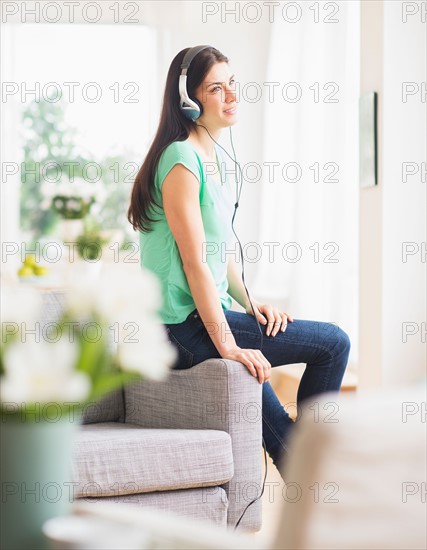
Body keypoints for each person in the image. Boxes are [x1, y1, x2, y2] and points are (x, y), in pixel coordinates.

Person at [128, 45, 351, 477]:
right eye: (216, 87)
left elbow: (219, 253)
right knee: (333, 343)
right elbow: (194, 264)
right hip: (179, 328)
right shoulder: (180, 159)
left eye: (232, 83)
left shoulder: (216, 159)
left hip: (206, 317)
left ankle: (317, 501)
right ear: (189, 101)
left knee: (287, 434)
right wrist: (228, 343)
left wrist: (250, 304)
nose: (231, 95)